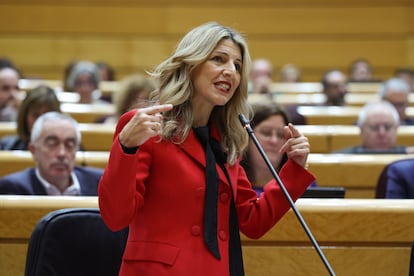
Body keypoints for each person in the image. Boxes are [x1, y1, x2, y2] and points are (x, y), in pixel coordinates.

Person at [98, 22, 315, 276]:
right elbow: (115, 217)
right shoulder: (147, 125)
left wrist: (294, 169)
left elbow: (253, 221)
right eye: (218, 59)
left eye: (237, 66)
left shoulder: (226, 140)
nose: (230, 72)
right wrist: (126, 148)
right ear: (191, 64)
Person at [0, 111, 103, 195]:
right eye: (52, 144)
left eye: (70, 144)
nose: (61, 153)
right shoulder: (13, 188)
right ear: (33, 150)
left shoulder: (100, 184)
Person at [240, 101, 315, 196]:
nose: (274, 141)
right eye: (266, 133)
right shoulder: (234, 183)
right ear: (247, 137)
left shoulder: (300, 182)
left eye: (280, 135)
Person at [335, 100, 414, 154]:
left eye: (387, 127)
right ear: (361, 130)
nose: (382, 133)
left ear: (397, 128)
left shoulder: (410, 158)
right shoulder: (340, 160)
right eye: (374, 127)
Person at [0, 85, 61, 150]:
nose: (40, 121)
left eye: (47, 116)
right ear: (25, 117)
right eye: (35, 115)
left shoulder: (67, 153)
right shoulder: (6, 147)